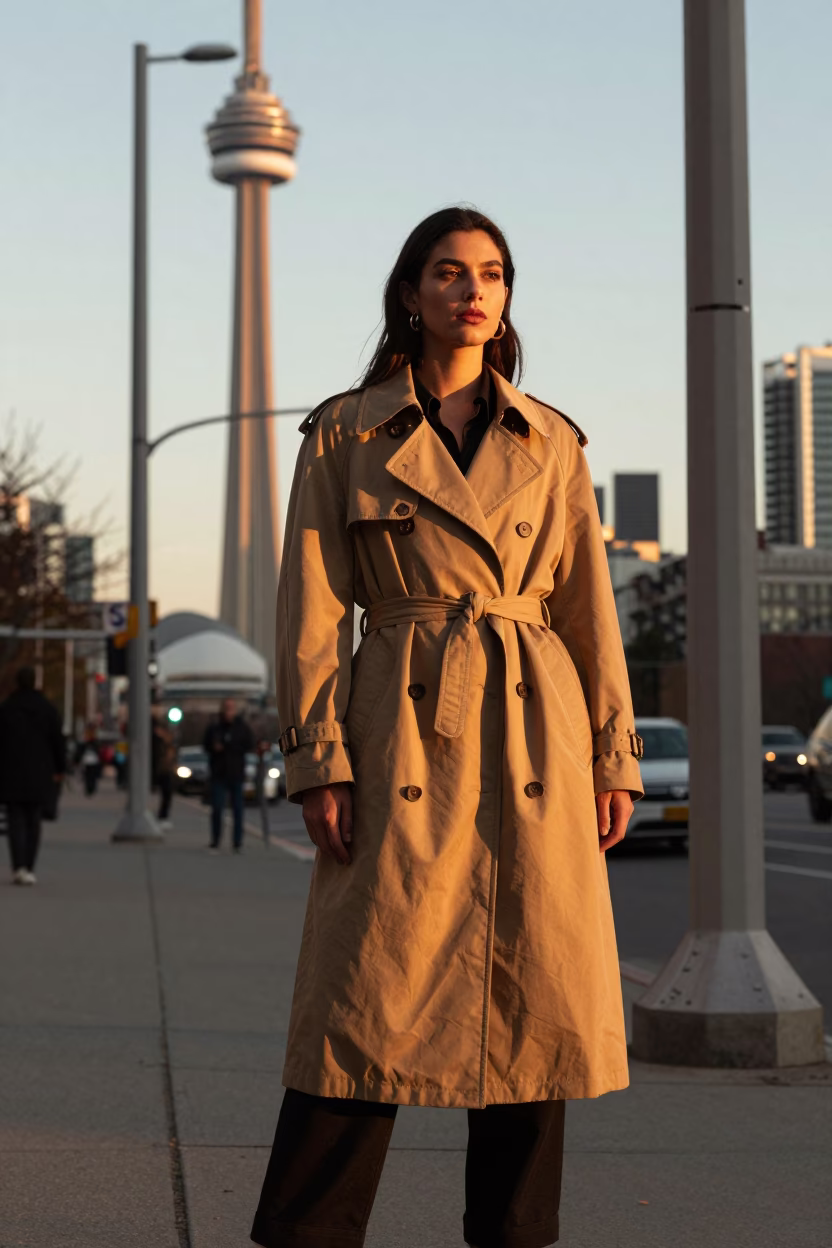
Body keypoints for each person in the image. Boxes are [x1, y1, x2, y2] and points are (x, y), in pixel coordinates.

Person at [250, 207, 645, 1248]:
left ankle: (514, 1236)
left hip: (534, 730)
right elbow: (309, 611)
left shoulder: (551, 440)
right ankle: (306, 1232)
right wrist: (319, 761)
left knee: (533, 1003)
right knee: (361, 998)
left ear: (506, 299)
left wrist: (613, 756)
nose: (472, 291)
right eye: (449, 272)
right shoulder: (347, 432)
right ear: (410, 294)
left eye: (492, 274)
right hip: (400, 724)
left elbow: (587, 613)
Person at [0, 666, 65, 886]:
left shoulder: (7, 708)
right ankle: (29, 865)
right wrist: (60, 769)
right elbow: (58, 741)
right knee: (34, 820)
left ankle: (18, 865)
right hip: (40, 773)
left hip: (11, 772)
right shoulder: (47, 709)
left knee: (15, 820)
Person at [203, 698, 254, 853]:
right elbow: (205, 745)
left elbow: (249, 744)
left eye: (231, 708)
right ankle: (215, 840)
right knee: (217, 808)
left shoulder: (242, 728)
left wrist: (231, 746)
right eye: (226, 708)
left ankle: (237, 842)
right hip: (219, 773)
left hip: (236, 773)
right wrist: (214, 747)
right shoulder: (214, 727)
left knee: (238, 809)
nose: (228, 712)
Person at [151, 710, 176, 829]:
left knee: (167, 793)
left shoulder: (167, 740)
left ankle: (163, 816)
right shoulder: (155, 740)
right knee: (165, 793)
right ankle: (161, 816)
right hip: (159, 769)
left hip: (166, 769)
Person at [75, 726, 102, 796]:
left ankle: (90, 788)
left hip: (91, 761)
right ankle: (89, 788)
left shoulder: (92, 742)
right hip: (88, 761)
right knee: (89, 776)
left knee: (90, 776)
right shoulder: (87, 742)